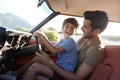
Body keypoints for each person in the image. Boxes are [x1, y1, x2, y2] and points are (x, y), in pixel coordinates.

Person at [22, 10, 108, 80]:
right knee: (35, 68)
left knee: (35, 68)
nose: (81, 28)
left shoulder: (96, 51)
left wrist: (49, 62)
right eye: (83, 25)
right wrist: (44, 44)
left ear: (97, 31)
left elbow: (77, 78)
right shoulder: (83, 39)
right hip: (62, 69)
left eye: (85, 27)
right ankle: (13, 75)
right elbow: (57, 49)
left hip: (68, 75)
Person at [0, 18, 79, 80]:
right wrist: (44, 42)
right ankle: (13, 75)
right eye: (67, 26)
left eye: (72, 28)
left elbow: (54, 51)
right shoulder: (63, 40)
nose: (69, 29)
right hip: (59, 66)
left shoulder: (71, 41)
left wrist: (42, 36)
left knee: (35, 67)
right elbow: (52, 50)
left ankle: (14, 75)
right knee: (37, 59)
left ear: (75, 32)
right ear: (62, 28)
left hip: (63, 72)